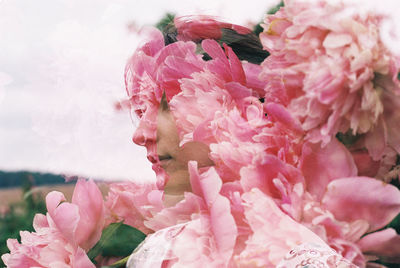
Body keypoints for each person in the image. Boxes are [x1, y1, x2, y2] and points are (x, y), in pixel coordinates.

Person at [119, 15, 360, 267]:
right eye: (142, 111)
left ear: (247, 112)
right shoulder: (154, 255)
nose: (140, 135)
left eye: (168, 105)